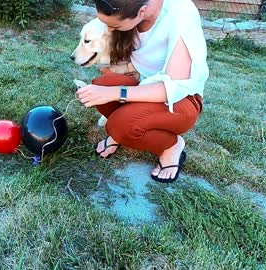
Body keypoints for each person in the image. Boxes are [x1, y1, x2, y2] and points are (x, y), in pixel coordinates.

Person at [76, 0, 209, 183]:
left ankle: (172, 146)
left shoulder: (180, 14)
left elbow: (173, 89)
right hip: (143, 85)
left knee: (120, 124)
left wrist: (117, 93)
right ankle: (121, 129)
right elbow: (109, 70)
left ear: (142, 11)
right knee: (103, 84)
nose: (108, 30)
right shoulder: (128, 9)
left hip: (180, 101)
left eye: (114, 25)